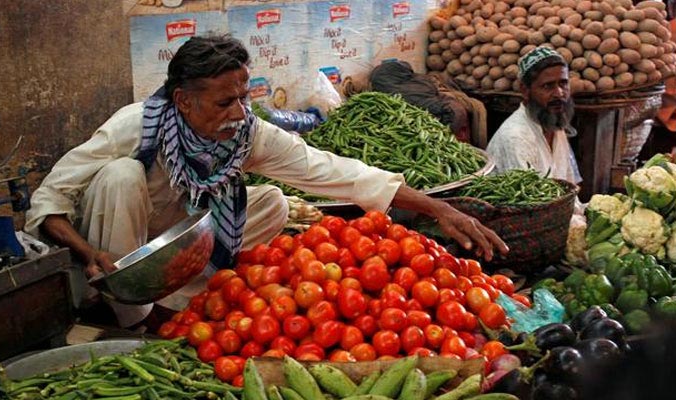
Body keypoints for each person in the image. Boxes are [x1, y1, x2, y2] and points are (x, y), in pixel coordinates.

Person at [25, 34, 508, 328]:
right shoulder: (136, 127)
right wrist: (91, 256)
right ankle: (134, 317)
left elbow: (333, 171)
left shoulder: (245, 132)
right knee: (121, 177)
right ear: (183, 101)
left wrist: (438, 208)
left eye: (242, 97)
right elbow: (49, 200)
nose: (239, 113)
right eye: (223, 103)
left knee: (273, 202)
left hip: (175, 235)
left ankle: (183, 296)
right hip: (115, 247)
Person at [486, 47, 582, 185]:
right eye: (548, 86)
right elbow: (529, 202)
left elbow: (570, 186)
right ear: (525, 91)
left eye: (563, 83)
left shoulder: (554, 125)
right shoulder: (515, 137)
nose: (559, 93)